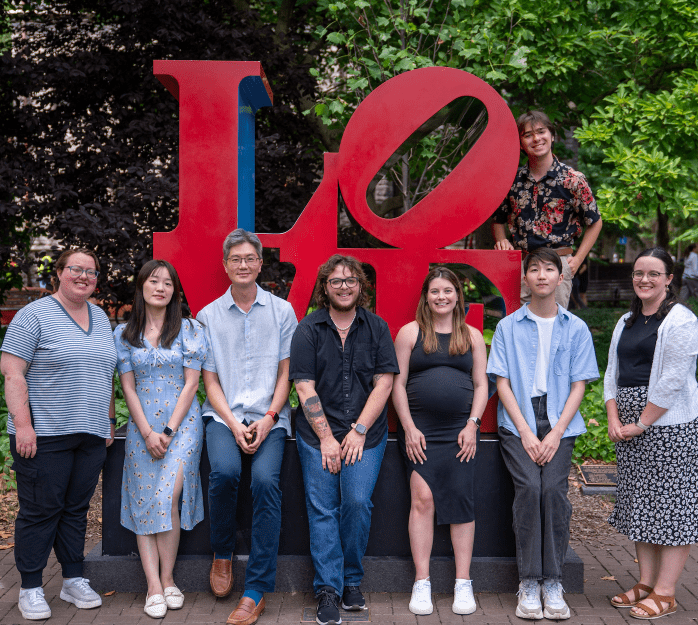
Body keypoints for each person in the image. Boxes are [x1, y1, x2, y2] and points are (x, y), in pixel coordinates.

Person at [0, 248, 116, 621]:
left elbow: (106, 375)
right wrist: (23, 426)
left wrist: (110, 421)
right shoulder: (32, 315)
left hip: (91, 435)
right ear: (59, 273)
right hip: (44, 434)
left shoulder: (100, 316)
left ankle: (73, 579)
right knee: (39, 511)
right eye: (76, 269)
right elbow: (13, 373)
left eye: (91, 272)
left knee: (76, 511)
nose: (84, 277)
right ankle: (31, 587)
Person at [486, 247, 599, 621]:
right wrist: (526, 432)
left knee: (552, 491)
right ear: (526, 278)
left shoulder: (576, 327)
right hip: (519, 419)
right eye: (533, 269)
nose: (541, 275)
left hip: (560, 421)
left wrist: (555, 433)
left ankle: (554, 580)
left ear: (561, 276)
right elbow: (501, 382)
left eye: (549, 269)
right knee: (530, 489)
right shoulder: (507, 327)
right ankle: (529, 582)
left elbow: (580, 385)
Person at [290, 255, 399, 625]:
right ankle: (328, 590)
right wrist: (326, 438)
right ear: (325, 287)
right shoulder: (308, 329)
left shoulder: (377, 327)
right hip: (317, 434)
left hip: (365, 435)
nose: (344, 286)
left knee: (355, 502)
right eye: (336, 281)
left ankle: (352, 580)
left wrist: (358, 431)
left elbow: (385, 381)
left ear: (361, 286)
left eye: (350, 280)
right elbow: (304, 385)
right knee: (322, 509)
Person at [196, 229, 297, 625]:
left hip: (271, 416)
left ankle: (255, 590)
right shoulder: (207, 315)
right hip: (224, 415)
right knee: (224, 472)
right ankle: (222, 554)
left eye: (249, 259)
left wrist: (270, 418)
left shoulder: (282, 311)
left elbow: (286, 373)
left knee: (266, 483)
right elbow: (210, 381)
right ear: (225, 265)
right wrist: (234, 424)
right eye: (235, 259)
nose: (242, 265)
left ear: (260, 264)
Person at [605, 247, 698, 620]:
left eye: (653, 273)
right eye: (638, 273)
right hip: (629, 426)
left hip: (669, 425)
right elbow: (611, 373)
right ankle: (646, 583)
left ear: (669, 279)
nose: (644, 279)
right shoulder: (626, 320)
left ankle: (666, 592)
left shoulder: (681, 321)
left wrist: (641, 423)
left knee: (672, 505)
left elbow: (672, 381)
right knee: (641, 504)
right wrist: (614, 418)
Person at [392, 267, 488, 616]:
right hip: (421, 432)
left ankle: (463, 583)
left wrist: (473, 425)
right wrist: (408, 427)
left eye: (448, 291)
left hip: (461, 433)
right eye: (435, 291)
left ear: (457, 296)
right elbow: (396, 385)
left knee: (462, 500)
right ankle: (422, 582)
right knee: (422, 498)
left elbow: (481, 385)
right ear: (426, 297)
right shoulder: (410, 333)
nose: (442, 297)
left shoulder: (472, 336)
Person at [114, 260, 207, 618]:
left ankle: (169, 578)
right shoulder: (123, 333)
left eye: (168, 283)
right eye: (154, 281)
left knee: (168, 495)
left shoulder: (189, 329)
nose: (161, 288)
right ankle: (153, 585)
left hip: (181, 426)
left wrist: (166, 431)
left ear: (174, 292)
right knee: (144, 500)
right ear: (141, 287)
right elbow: (127, 387)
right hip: (141, 428)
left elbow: (193, 384)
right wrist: (147, 431)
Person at [492, 110, 603, 308]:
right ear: (521, 144)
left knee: (554, 330)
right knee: (520, 329)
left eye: (541, 132)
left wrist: (577, 260)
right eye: (527, 135)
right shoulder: (512, 180)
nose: (536, 139)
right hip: (522, 266)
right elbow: (498, 218)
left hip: (558, 263)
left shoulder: (573, 180)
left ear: (552, 135)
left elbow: (594, 222)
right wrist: (501, 240)